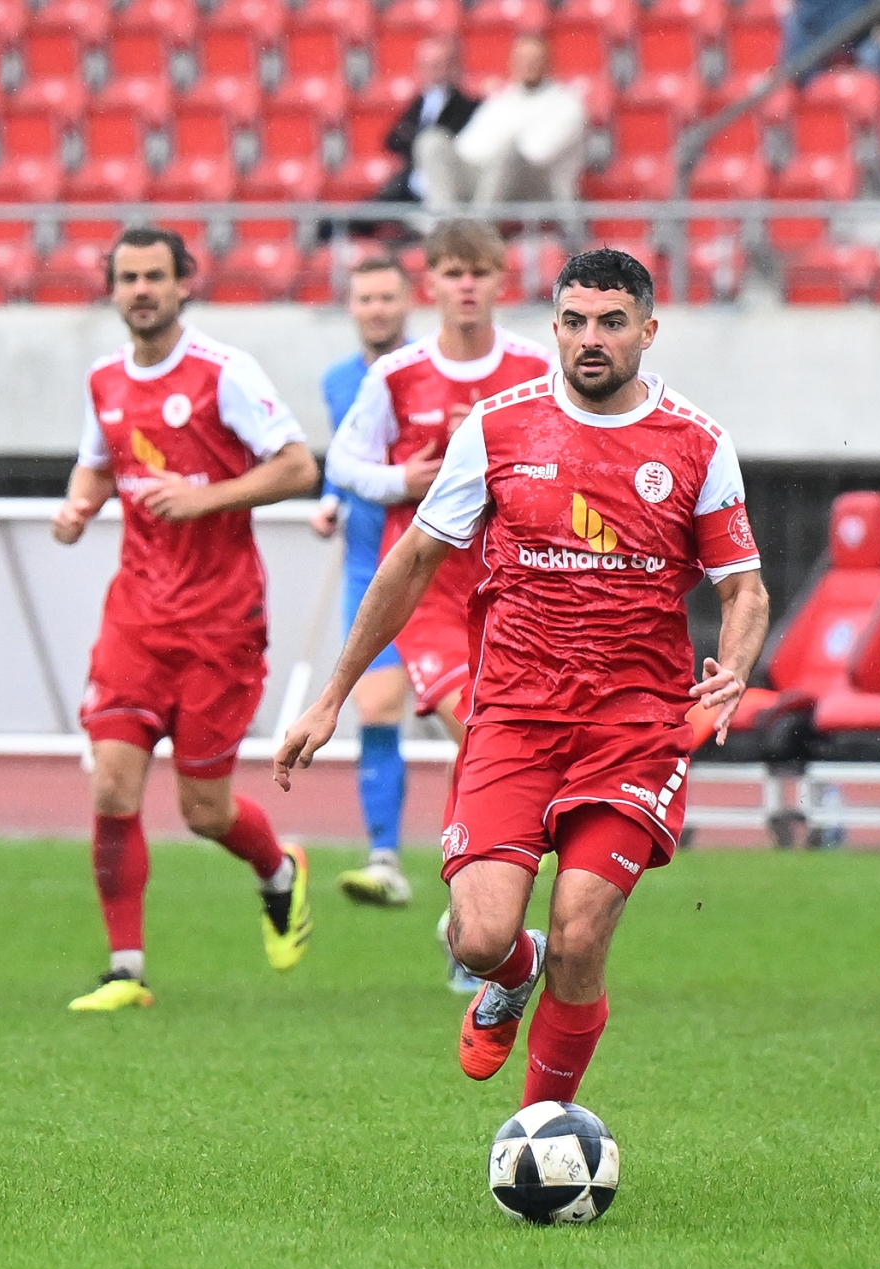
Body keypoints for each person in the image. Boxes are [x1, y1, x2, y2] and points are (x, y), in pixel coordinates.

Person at [275, 249, 771, 1110]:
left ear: (648, 331)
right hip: (512, 715)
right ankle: (513, 969)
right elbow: (413, 560)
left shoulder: (696, 443)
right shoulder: (499, 428)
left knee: (581, 931)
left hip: (633, 728)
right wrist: (332, 696)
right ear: (554, 328)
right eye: (574, 321)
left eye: (611, 322)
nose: (590, 338)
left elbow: (744, 588)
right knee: (477, 937)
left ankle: (540, 1129)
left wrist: (733, 669)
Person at [52, 228, 322, 1012]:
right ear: (112, 289)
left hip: (219, 623)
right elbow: (98, 464)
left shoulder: (223, 372)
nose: (141, 290)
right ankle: (125, 970)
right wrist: (78, 508)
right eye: (128, 277)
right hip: (136, 618)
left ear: (183, 285)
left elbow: (298, 465)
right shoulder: (104, 378)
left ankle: (279, 871)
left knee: (204, 810)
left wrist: (206, 497)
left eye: (154, 276)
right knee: (113, 785)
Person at [323, 221, 555, 910]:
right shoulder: (396, 375)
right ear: (431, 284)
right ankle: (448, 888)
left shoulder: (536, 368)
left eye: (479, 272)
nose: (466, 286)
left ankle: (470, 903)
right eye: (453, 273)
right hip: (427, 592)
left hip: (513, 591)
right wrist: (400, 481)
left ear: (500, 281)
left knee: (502, 749)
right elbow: (342, 463)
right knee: (479, 733)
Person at [308, 255, 419, 902]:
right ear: (351, 307)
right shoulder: (337, 380)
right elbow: (348, 454)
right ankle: (384, 856)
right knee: (374, 707)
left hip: (441, 564)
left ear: (408, 302)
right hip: (368, 565)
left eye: (386, 297)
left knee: (475, 719)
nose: (376, 309)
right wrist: (330, 498)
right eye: (366, 298)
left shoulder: (430, 370)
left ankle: (513, 840)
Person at [445, 34, 586, 207]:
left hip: (544, 192)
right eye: (522, 59)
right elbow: (467, 149)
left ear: (549, 63)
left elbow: (537, 154)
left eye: (535, 60)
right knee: (433, 143)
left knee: (509, 154)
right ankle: (445, 219)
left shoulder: (567, 105)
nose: (528, 65)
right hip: (490, 179)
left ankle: (480, 222)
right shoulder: (500, 100)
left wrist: (502, 141)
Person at [379, 37, 482, 209]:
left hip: (446, 184)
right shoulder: (418, 103)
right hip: (410, 183)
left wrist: (414, 138)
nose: (433, 71)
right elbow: (392, 139)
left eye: (439, 64)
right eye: (427, 65)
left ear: (454, 66)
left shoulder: (468, 106)